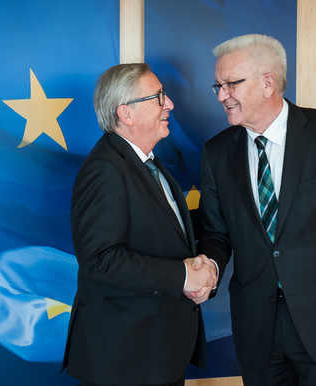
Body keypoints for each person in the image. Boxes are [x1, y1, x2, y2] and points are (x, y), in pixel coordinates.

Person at [197, 34, 316, 385]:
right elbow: (216, 233)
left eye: (231, 84)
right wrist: (210, 264)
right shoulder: (217, 152)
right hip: (258, 329)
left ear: (268, 83)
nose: (221, 95)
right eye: (218, 85)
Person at [62, 63, 217, 386]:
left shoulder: (146, 162)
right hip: (125, 360)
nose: (170, 105)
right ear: (126, 114)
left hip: (153, 355)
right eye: (158, 97)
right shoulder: (105, 170)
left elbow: (164, 232)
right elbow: (100, 261)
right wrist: (185, 275)